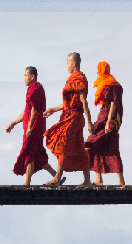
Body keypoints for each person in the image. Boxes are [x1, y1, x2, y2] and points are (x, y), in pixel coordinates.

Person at [43, 52, 92, 186]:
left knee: (61, 143)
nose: (67, 66)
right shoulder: (73, 78)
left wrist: (89, 122)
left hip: (74, 118)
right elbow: (67, 104)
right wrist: (53, 109)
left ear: (74, 63)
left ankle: (57, 178)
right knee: (79, 148)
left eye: (68, 64)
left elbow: (83, 101)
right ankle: (87, 180)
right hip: (72, 115)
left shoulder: (78, 78)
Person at [6, 66, 58, 186]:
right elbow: (27, 111)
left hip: (34, 127)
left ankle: (27, 182)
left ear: (32, 76)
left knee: (29, 152)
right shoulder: (31, 88)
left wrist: (29, 127)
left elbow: (34, 110)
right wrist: (13, 123)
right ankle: (56, 176)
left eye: (25, 75)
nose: (24, 78)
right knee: (38, 154)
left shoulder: (36, 88)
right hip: (32, 127)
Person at [85, 61, 125, 186]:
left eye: (98, 71)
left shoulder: (112, 84)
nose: (97, 74)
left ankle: (120, 180)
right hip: (102, 116)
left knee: (112, 148)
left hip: (109, 119)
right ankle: (99, 179)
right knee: (95, 145)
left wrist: (108, 122)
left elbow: (113, 104)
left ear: (103, 71)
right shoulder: (106, 83)